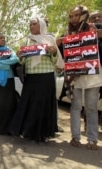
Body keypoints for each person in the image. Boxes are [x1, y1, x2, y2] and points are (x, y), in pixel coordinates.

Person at [8, 18, 60, 142]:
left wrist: (53, 52)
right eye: (30, 24)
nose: (31, 26)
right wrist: (20, 56)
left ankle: (43, 134)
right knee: (29, 104)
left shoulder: (50, 39)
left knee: (43, 104)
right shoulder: (28, 40)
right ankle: (28, 132)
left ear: (41, 25)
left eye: (34, 24)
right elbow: (24, 61)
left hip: (46, 76)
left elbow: (55, 60)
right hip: (31, 76)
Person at [63, 6, 102, 150]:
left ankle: (92, 139)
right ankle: (75, 137)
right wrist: (59, 43)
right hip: (75, 77)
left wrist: (98, 34)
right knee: (76, 107)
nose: (73, 18)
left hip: (93, 75)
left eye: (76, 15)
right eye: (71, 15)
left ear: (84, 15)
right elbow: (65, 54)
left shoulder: (93, 28)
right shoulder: (67, 33)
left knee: (91, 108)